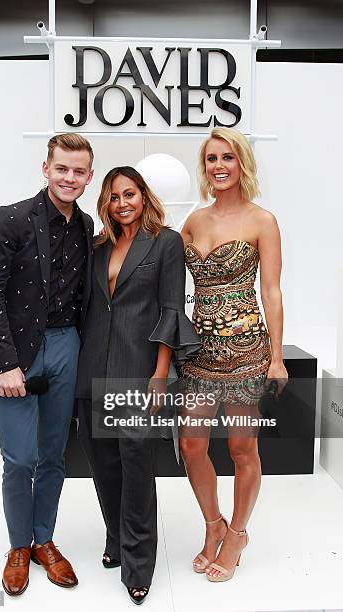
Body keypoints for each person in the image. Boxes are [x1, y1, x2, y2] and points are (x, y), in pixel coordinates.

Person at [0, 133, 94, 596]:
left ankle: (44, 540)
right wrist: (5, 364)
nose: (69, 177)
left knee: (53, 457)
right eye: (61, 168)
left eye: (78, 171)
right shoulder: (12, 218)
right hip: (19, 350)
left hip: (68, 345)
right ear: (46, 169)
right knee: (19, 458)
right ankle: (18, 546)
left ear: (88, 176)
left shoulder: (85, 227)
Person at [75, 166, 200, 605]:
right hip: (92, 370)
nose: (122, 203)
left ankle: (138, 562)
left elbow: (170, 310)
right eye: (114, 197)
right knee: (104, 465)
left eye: (129, 194)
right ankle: (116, 539)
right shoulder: (97, 247)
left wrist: (160, 374)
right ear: (105, 204)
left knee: (137, 467)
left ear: (143, 196)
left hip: (138, 371)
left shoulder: (166, 243)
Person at [179, 127, 288, 582]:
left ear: (242, 162)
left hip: (246, 351)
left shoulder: (263, 220)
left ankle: (238, 534)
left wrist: (277, 357)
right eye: (211, 159)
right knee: (191, 445)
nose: (219, 166)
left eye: (227, 157)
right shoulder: (193, 221)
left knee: (242, 449)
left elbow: (272, 291)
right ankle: (213, 525)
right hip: (199, 353)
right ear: (203, 168)